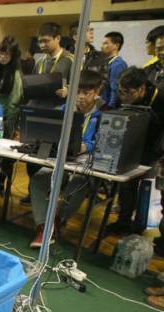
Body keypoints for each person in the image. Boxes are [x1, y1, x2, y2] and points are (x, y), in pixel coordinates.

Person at [29, 70, 105, 248]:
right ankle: (44, 226)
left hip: (85, 162)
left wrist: (86, 146)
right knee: (39, 178)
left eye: (86, 93)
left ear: (97, 92)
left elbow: (102, 142)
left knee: (79, 182)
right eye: (77, 91)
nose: (80, 97)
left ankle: (56, 221)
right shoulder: (64, 109)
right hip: (60, 158)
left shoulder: (104, 114)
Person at [106, 67, 164, 235]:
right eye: (120, 91)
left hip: (154, 149)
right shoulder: (123, 97)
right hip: (130, 145)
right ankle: (123, 222)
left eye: (128, 93)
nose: (123, 97)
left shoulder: (160, 99)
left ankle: (140, 227)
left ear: (141, 89)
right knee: (126, 186)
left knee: (147, 189)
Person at [22, 22, 75, 205]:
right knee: (32, 157)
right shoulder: (40, 61)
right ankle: (33, 192)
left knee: (53, 159)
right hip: (39, 113)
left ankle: (53, 196)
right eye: (40, 42)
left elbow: (81, 87)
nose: (42, 45)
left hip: (58, 116)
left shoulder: (71, 60)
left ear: (58, 38)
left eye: (46, 41)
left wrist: (69, 90)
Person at [0, 36, 23, 139]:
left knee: (1, 144)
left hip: (7, 117)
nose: (2, 57)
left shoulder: (16, 72)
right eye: (1, 53)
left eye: (7, 54)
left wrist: (8, 126)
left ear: (13, 55)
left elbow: (14, 103)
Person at [100, 32, 128, 108]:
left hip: (109, 108)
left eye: (105, 43)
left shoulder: (118, 65)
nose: (101, 46)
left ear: (116, 46)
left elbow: (115, 91)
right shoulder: (106, 63)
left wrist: (109, 109)